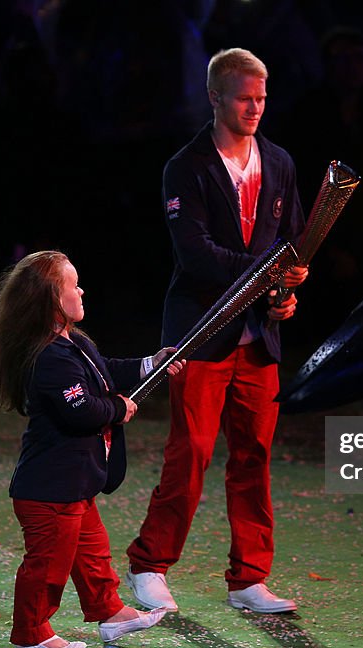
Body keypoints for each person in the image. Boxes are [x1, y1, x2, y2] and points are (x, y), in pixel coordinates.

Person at [125, 48, 308, 614]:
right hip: (200, 334)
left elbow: (293, 243)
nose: (256, 108)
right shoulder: (186, 167)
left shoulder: (278, 162)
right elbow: (197, 255)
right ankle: (148, 564)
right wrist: (266, 275)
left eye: (262, 98)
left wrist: (286, 292)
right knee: (192, 452)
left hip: (259, 341)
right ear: (215, 98)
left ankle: (249, 579)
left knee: (254, 456)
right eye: (244, 98)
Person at [0, 250, 183, 648]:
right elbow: (81, 409)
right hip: (49, 489)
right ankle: (31, 633)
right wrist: (119, 409)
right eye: (74, 285)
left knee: (92, 554)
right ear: (53, 299)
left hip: (75, 484)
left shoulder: (74, 343)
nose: (82, 289)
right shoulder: (49, 356)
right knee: (48, 565)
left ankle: (111, 614)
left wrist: (150, 365)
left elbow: (105, 371)